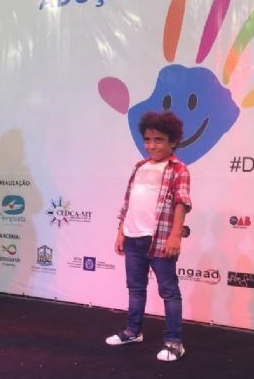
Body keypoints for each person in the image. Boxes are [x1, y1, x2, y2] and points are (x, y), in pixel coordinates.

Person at [105, 111, 192, 362]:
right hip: (133, 238)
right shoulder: (139, 167)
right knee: (135, 289)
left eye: (159, 140)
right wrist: (121, 231)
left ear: (173, 141)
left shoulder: (178, 169)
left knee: (169, 292)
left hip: (159, 239)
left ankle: (174, 341)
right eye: (148, 139)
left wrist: (175, 236)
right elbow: (128, 202)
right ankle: (133, 331)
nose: (152, 145)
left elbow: (181, 203)